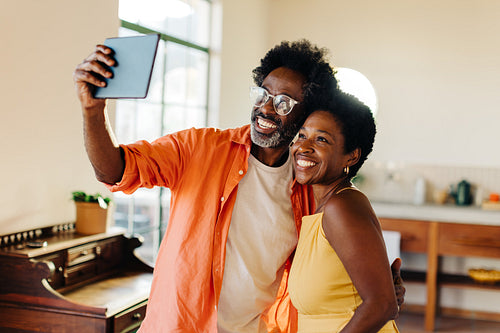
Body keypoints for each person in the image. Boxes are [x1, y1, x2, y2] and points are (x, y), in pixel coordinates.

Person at [73, 39, 404, 332]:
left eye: (284, 102)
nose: (265, 107)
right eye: (263, 94)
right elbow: (114, 170)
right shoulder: (198, 148)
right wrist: (93, 111)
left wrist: (379, 291)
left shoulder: (308, 186)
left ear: (306, 113)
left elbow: (330, 262)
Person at [288, 91, 399, 332]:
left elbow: (382, 305)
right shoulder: (322, 206)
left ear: (351, 156)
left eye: (321, 140)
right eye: (302, 135)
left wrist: (388, 292)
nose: (303, 147)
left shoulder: (341, 207)